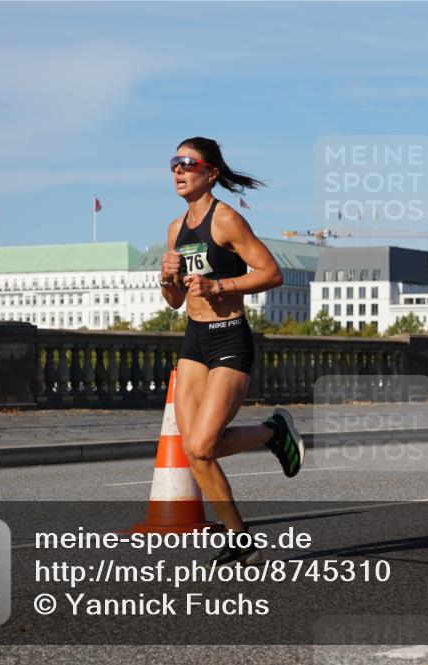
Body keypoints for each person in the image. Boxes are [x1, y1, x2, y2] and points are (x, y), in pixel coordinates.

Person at [159, 137, 305, 567]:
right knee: (194, 450)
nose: (179, 171)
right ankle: (239, 538)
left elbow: (272, 273)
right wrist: (167, 279)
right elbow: (175, 302)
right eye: (174, 164)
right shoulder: (175, 228)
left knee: (203, 447)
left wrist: (218, 286)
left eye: (188, 164)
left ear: (211, 173)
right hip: (194, 340)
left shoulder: (227, 221)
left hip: (229, 338)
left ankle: (271, 432)